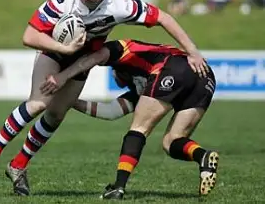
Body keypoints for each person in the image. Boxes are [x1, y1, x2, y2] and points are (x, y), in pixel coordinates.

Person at [0, 0, 208, 196]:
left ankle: (18, 166)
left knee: (55, 115)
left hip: (80, 63)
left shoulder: (118, 5)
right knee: (39, 103)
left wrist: (193, 51)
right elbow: (29, 35)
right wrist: (63, 49)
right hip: (53, 52)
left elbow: (163, 18)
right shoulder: (64, 0)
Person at [40, 39, 218, 199]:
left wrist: (63, 77)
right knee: (172, 142)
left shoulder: (122, 49)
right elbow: (111, 111)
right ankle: (203, 156)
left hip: (175, 66)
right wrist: (68, 101)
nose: (117, 80)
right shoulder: (144, 83)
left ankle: (118, 187)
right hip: (205, 75)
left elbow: (95, 57)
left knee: (138, 129)